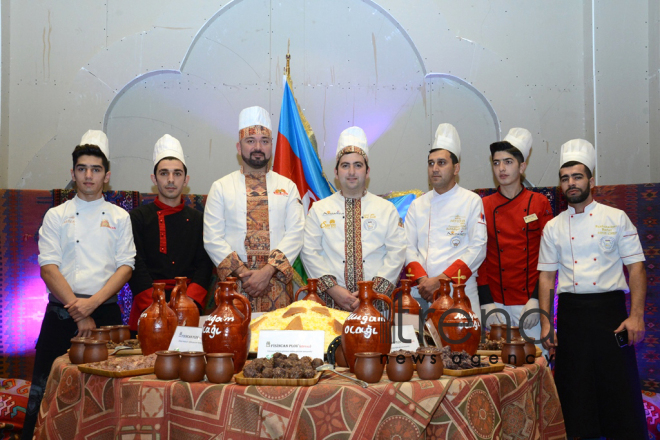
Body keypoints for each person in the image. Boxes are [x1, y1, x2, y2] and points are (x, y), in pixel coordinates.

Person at [22, 130, 135, 439]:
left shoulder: (120, 217)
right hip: (61, 316)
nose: (89, 175)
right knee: (46, 389)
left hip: (106, 317)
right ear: (72, 173)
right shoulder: (56, 215)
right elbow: (48, 268)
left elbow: (126, 267)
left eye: (96, 169)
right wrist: (79, 310)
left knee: (108, 393)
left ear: (107, 175)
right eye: (82, 168)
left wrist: (92, 305)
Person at [538, 139, 648, 439]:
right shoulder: (553, 227)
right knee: (575, 392)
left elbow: (636, 267)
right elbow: (547, 278)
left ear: (591, 180)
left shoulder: (616, 218)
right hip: (572, 317)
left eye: (577, 176)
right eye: (565, 178)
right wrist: (546, 321)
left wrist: (636, 316)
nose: (571, 183)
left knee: (620, 389)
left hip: (612, 314)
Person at [203, 106, 305, 312]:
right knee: (233, 342)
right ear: (239, 147)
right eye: (251, 141)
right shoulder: (221, 187)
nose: (258, 147)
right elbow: (212, 239)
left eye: (264, 141)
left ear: (271, 147)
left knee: (277, 342)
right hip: (235, 287)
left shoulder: (288, 187)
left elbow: (296, 233)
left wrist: (266, 272)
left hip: (277, 286)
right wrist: (244, 274)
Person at [301, 126, 406, 311]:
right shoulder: (318, 209)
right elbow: (309, 253)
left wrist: (372, 293)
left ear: (367, 171)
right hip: (330, 304)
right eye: (345, 165)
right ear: (335, 172)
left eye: (358, 165)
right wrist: (334, 290)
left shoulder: (386, 209)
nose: (351, 172)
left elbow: (396, 253)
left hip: (376, 306)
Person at [127, 134, 214, 332]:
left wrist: (189, 302)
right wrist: (156, 305)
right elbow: (135, 263)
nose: (171, 180)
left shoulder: (199, 219)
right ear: (154, 178)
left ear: (186, 180)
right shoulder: (137, 217)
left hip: (188, 305)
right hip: (148, 307)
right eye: (164, 173)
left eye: (177, 173)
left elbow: (204, 264)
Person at [477, 128, 553, 346]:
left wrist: (537, 300)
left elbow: (548, 257)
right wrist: (486, 302)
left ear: (522, 166)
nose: (501, 168)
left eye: (508, 162)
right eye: (496, 162)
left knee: (535, 366)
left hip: (530, 303)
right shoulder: (483, 205)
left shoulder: (539, 203)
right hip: (495, 304)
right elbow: (479, 256)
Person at [405, 123, 487, 313]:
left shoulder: (471, 201)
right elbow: (407, 246)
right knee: (420, 342)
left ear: (456, 168)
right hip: (422, 292)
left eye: (441, 163)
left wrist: (441, 281)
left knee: (463, 342)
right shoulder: (418, 204)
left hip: (458, 291)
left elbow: (478, 249)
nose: (435, 168)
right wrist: (424, 282)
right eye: (431, 163)